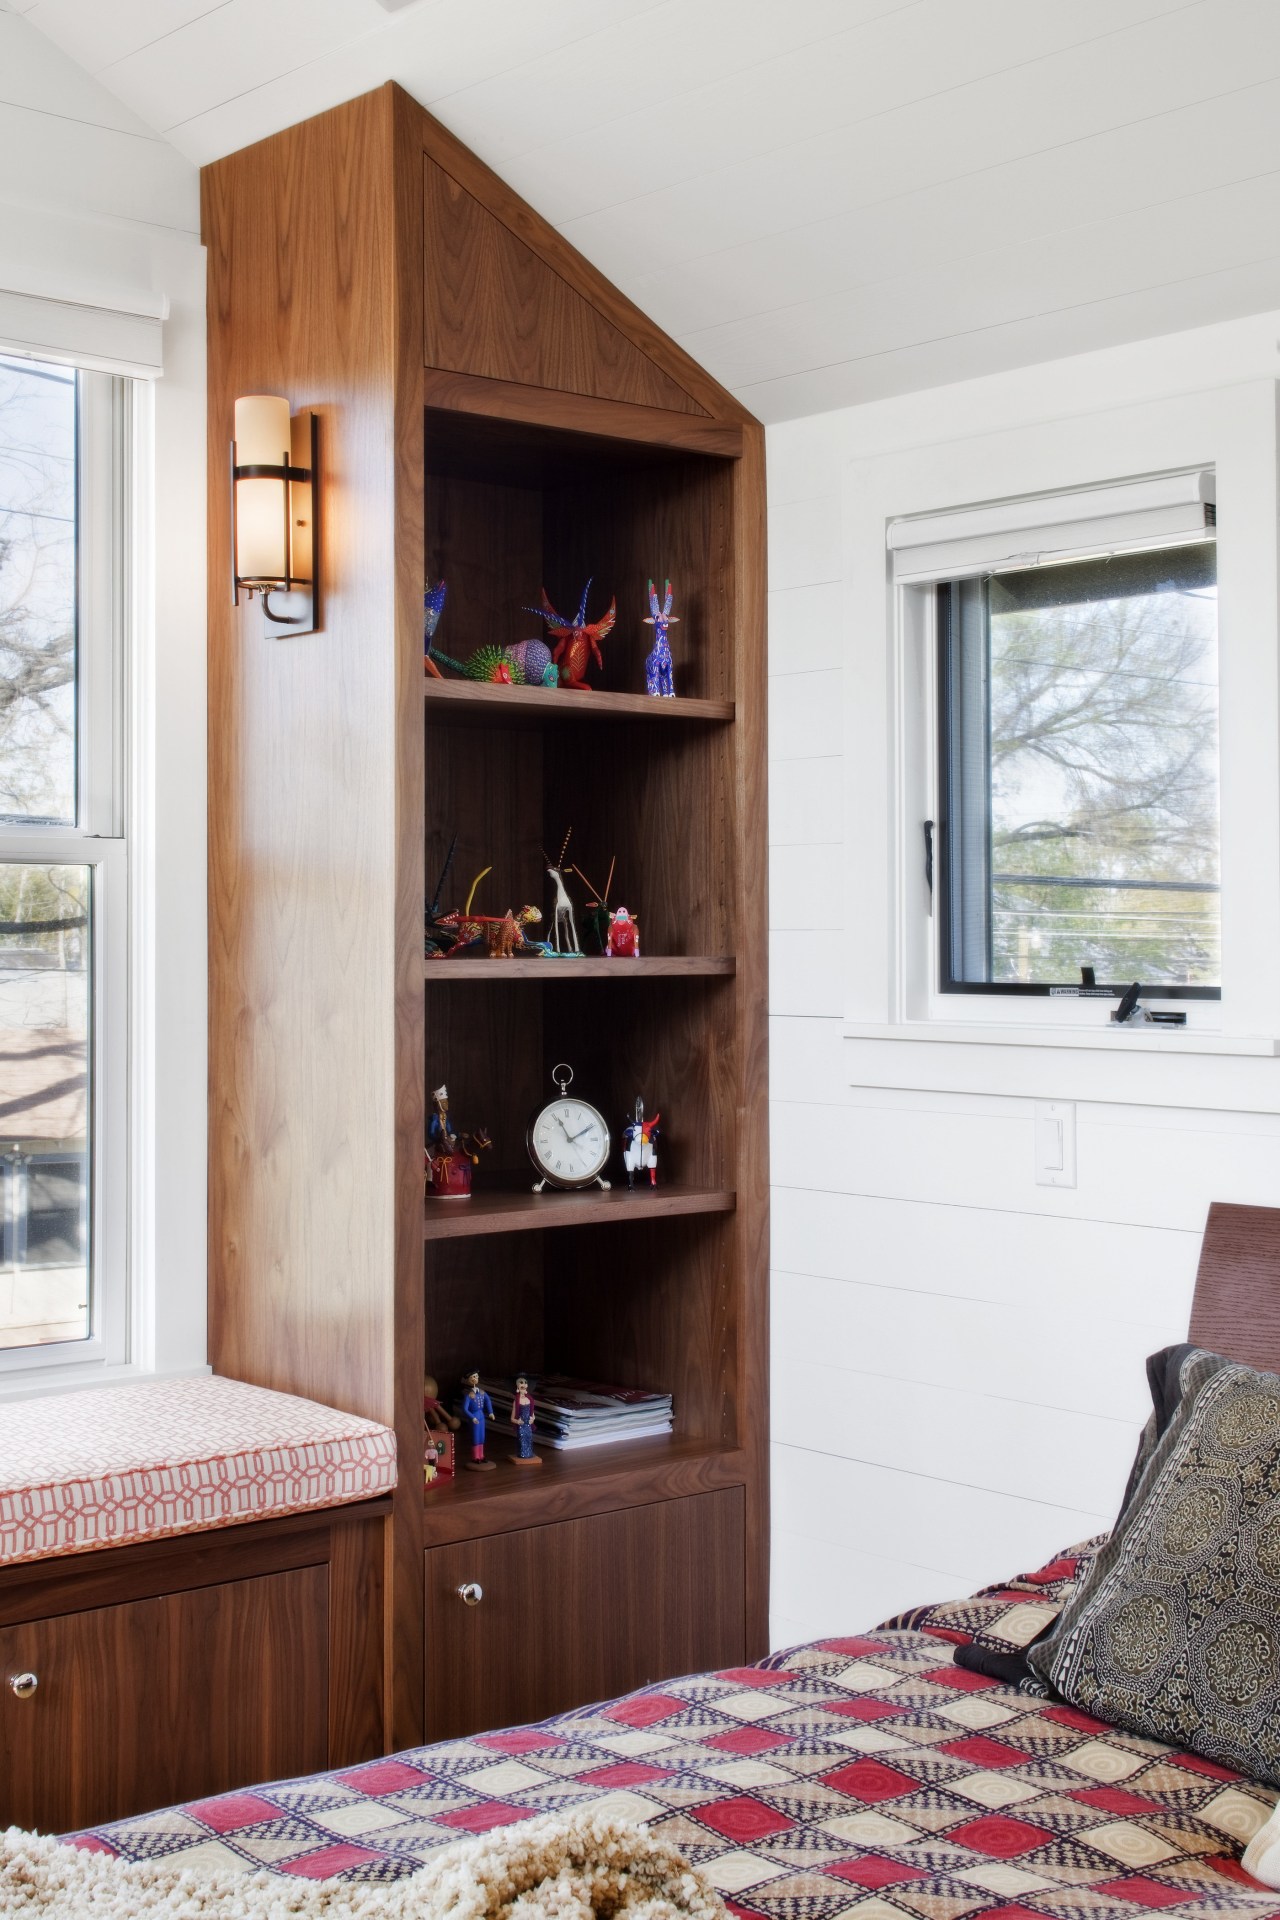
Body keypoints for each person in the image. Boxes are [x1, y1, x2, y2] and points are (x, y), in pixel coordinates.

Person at [461, 1371, 496, 1471]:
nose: (475, 1378)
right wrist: (472, 1417)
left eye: (476, 1376)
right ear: (469, 1380)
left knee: (482, 1437)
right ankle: (475, 1457)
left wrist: (490, 1412)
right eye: (473, 1376)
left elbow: (488, 1401)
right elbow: (465, 1409)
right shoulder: (468, 1395)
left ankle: (481, 1456)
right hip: (475, 1417)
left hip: (481, 1416)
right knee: (476, 1437)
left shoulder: (482, 1392)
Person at [510, 1374, 541, 1467]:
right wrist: (517, 1422)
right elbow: (512, 1418)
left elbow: (532, 1413)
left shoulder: (530, 1399)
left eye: (525, 1383)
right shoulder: (516, 1400)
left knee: (529, 1438)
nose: (523, 1384)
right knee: (522, 1439)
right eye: (521, 1382)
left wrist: (533, 1418)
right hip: (521, 1424)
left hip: (528, 1424)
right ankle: (522, 1454)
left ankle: (529, 1454)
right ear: (517, 1385)